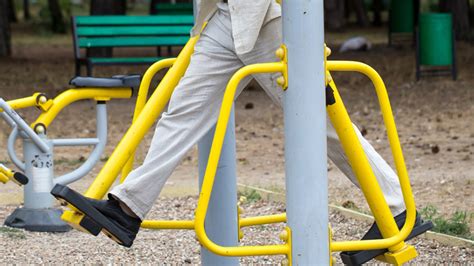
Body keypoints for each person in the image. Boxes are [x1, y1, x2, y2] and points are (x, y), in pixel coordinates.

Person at [54, 0, 424, 259]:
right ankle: (128, 207)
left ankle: (396, 208)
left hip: (275, 18)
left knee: (325, 127)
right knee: (182, 112)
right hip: (225, 16)